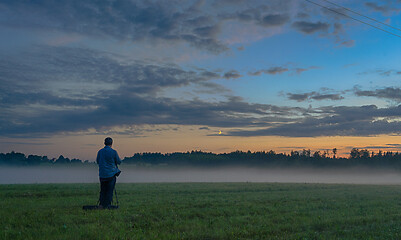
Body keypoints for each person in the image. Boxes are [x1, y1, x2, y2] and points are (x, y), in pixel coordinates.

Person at [96, 137, 121, 209]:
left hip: (102, 174)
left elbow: (98, 161)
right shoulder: (114, 152)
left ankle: (101, 204)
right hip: (111, 174)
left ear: (104, 143)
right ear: (111, 143)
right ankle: (108, 205)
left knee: (103, 190)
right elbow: (119, 161)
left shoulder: (100, 152)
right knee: (110, 190)